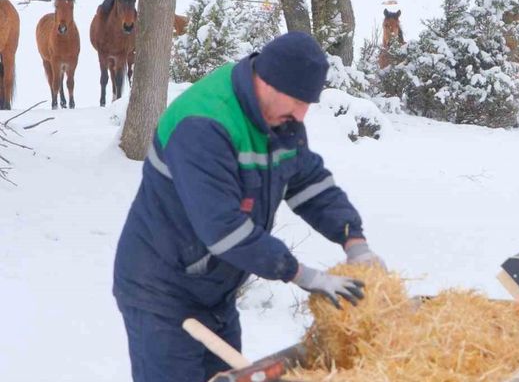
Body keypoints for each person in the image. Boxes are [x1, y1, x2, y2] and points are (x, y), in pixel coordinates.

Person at [113, 31, 384, 381]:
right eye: (298, 101)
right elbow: (223, 229)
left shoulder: (279, 118)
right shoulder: (204, 126)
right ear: (269, 82)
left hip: (215, 291)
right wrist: (302, 275)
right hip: (162, 292)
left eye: (308, 104)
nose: (302, 115)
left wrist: (354, 240)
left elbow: (308, 183)